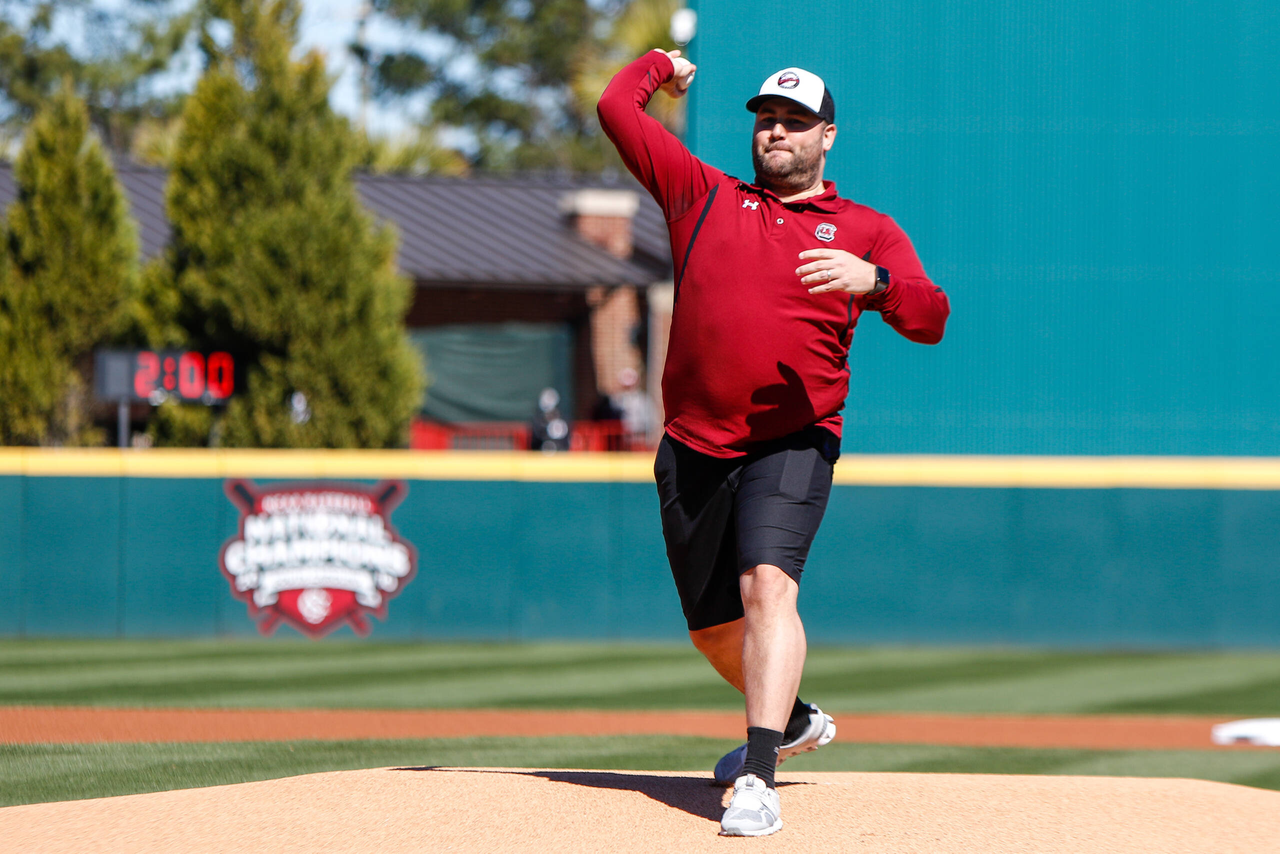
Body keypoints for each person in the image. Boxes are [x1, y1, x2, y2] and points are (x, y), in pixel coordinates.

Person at [598, 51, 950, 837]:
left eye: (795, 121)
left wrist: (877, 285)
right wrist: (659, 65)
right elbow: (618, 112)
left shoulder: (866, 230)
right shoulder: (703, 196)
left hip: (793, 440)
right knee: (714, 628)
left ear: (828, 136)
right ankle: (789, 720)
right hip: (693, 444)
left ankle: (758, 776)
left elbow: (932, 317)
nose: (777, 132)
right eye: (766, 120)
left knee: (768, 588)